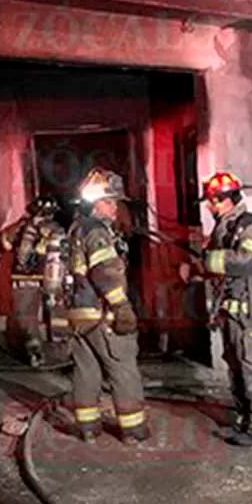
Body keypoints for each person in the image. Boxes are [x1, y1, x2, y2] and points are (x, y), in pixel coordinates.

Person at [184, 171, 252, 447]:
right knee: (238, 367)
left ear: (226, 199)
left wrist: (211, 260)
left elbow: (250, 261)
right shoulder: (226, 227)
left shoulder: (249, 224)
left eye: (213, 202)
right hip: (235, 311)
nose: (209, 207)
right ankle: (246, 422)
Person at [64, 167, 147, 443]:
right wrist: (121, 306)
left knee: (86, 370)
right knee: (122, 366)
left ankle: (88, 428)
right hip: (102, 312)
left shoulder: (76, 228)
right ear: (96, 203)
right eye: (110, 201)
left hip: (79, 313)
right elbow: (105, 272)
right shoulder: (97, 231)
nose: (115, 208)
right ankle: (133, 429)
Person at [0, 195, 67, 367]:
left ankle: (35, 353)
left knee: (26, 317)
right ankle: (59, 352)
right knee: (57, 314)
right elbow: (59, 256)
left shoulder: (21, 227)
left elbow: (4, 243)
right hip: (50, 278)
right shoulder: (56, 229)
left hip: (23, 278)